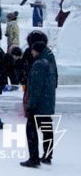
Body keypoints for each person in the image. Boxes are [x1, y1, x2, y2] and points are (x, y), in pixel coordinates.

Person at [21, 40, 58, 168]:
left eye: (32, 50)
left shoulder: (39, 64)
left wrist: (31, 105)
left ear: (37, 50)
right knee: (47, 129)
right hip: (47, 102)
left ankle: (33, 158)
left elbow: (35, 88)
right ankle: (47, 156)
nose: (31, 52)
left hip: (38, 104)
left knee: (30, 130)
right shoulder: (50, 61)